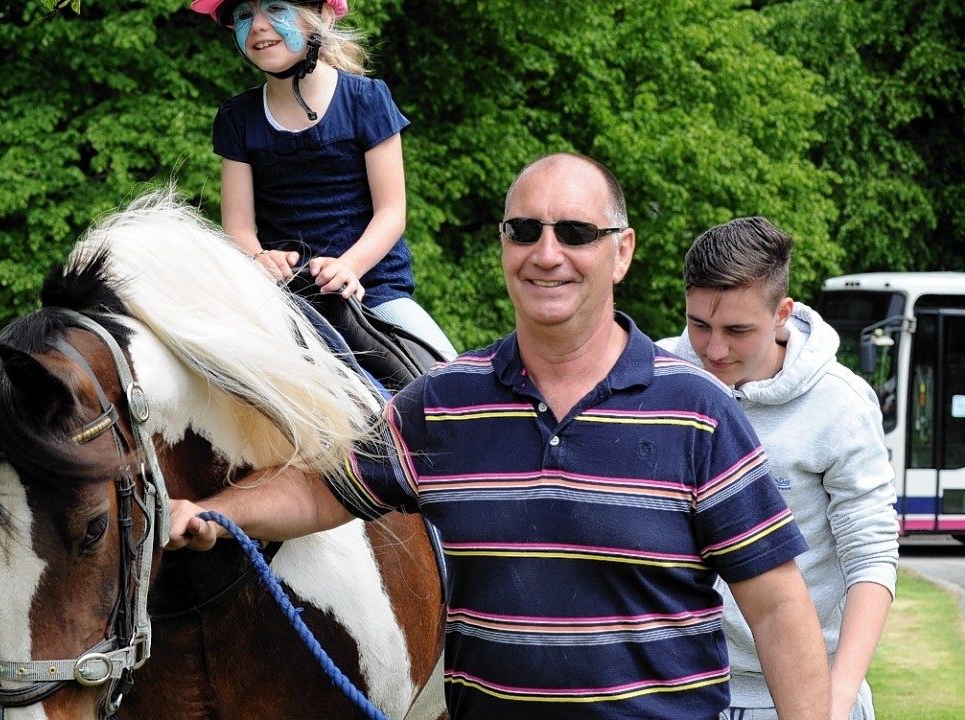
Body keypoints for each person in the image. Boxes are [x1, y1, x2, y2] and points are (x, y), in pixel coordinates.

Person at [167, 152, 831, 719]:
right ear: (504, 246)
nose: (548, 254)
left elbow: (777, 611)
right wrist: (216, 512)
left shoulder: (699, 412)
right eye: (525, 230)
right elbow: (322, 489)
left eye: (575, 232)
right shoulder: (445, 400)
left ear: (621, 251)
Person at [659, 216, 899, 720]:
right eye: (698, 324)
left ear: (782, 313)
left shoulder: (841, 403)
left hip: (799, 696)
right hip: (677, 689)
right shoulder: (655, 381)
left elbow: (871, 557)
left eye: (737, 330)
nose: (714, 349)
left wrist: (833, 699)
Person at [190, 0, 457, 360]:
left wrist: (349, 267)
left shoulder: (366, 100)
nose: (257, 25)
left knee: (447, 377)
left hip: (372, 290)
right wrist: (258, 258)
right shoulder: (237, 118)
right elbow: (237, 226)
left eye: (276, 8)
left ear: (323, 15)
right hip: (282, 294)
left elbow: (392, 213)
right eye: (243, 15)